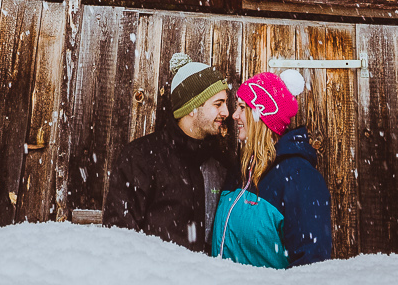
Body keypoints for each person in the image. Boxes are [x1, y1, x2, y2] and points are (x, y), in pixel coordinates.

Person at [103, 52, 233, 251]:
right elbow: (119, 234)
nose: (226, 112)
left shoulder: (219, 163)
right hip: (156, 278)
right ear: (192, 108)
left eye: (225, 103)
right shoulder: (141, 157)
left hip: (208, 279)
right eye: (218, 104)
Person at [211, 68, 332, 267]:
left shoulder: (299, 177)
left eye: (242, 107)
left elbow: (312, 262)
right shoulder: (241, 170)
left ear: (261, 117)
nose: (234, 115)